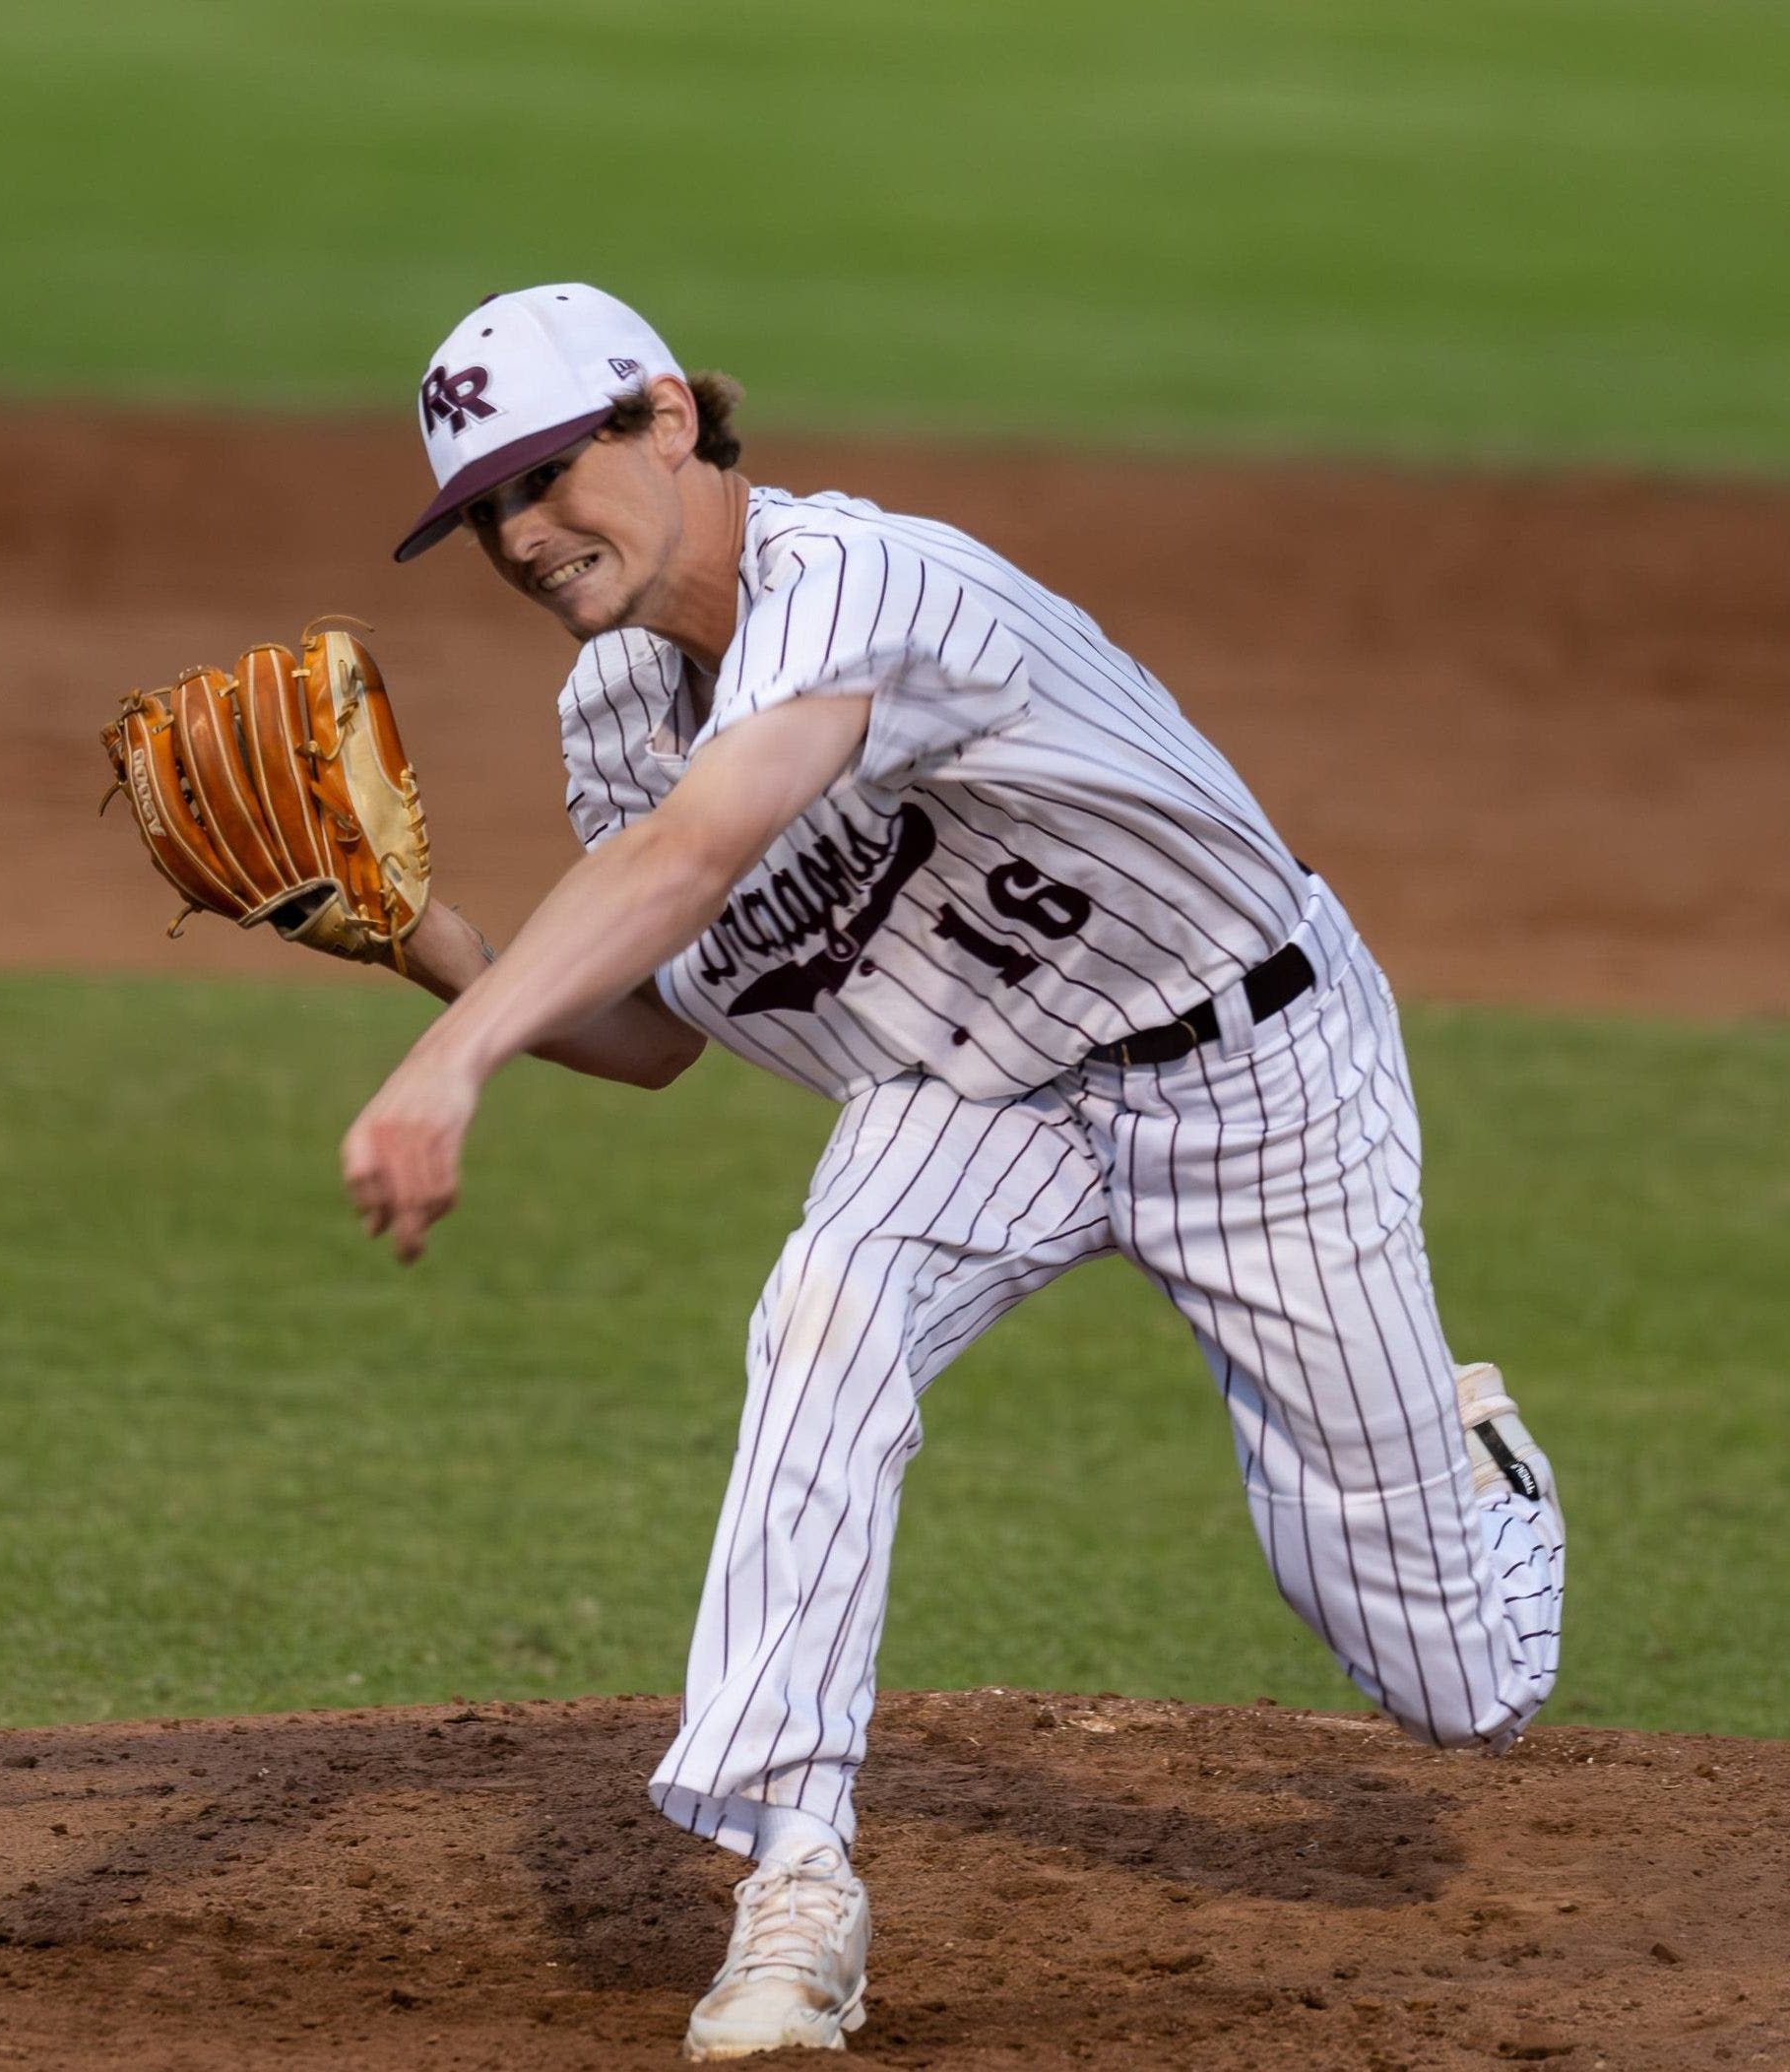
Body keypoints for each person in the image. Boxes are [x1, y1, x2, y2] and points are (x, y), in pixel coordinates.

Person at [344, 284, 1566, 2061]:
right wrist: (409, 937)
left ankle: (1482, 1474)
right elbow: (662, 1024)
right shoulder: (614, 707)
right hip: (977, 1093)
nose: (527, 534)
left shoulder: (869, 583)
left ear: (668, 420)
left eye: (552, 474)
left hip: (1255, 1069)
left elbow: (697, 854)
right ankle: (796, 1887)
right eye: (485, 513)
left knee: (1458, 1690)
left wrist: (444, 1068)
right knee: (823, 1315)